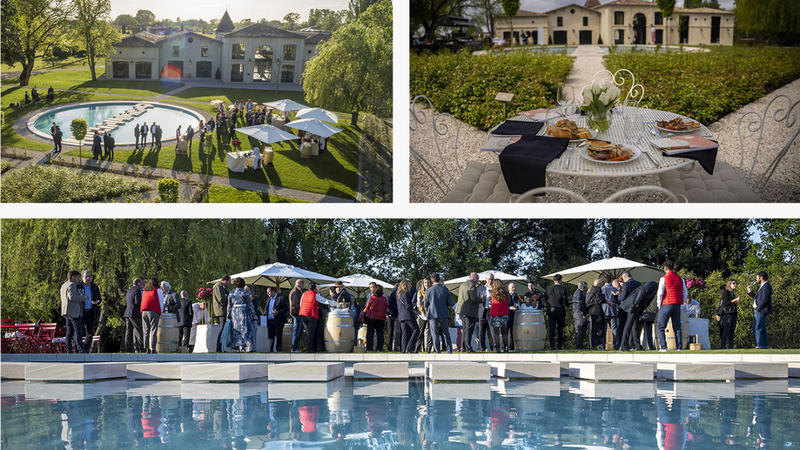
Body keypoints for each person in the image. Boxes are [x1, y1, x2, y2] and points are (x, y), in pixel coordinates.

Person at [656, 260, 688, 352]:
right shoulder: (680, 279)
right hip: (677, 304)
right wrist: (682, 302)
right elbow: (685, 292)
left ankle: (663, 347)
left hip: (666, 304)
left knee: (661, 326)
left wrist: (659, 304)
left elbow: (660, 293)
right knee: (677, 327)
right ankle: (679, 347)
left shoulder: (664, 278)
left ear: (665, 268)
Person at [298, 282, 337, 353]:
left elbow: (300, 304)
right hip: (311, 315)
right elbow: (325, 301)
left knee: (308, 332)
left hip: (303, 315)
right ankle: (310, 349)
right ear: (315, 288)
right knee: (311, 333)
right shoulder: (315, 295)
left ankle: (311, 348)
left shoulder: (304, 294)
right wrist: (336, 303)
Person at [424, 273, 453, 353]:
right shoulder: (445, 289)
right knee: (446, 333)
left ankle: (437, 351)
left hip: (432, 314)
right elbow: (450, 302)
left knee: (435, 334)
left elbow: (425, 304)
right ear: (439, 279)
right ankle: (449, 350)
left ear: (432, 281)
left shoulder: (429, 290)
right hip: (443, 314)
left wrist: (427, 313)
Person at [61, 270, 88, 353]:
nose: (78, 279)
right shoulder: (72, 285)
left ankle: (69, 350)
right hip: (73, 312)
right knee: (78, 330)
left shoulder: (64, 285)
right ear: (73, 277)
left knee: (69, 332)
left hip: (66, 311)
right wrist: (84, 298)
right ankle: (80, 349)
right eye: (77, 277)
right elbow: (71, 297)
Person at [227, 277, 257, 352]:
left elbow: (229, 305)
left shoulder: (231, 292)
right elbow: (250, 305)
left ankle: (238, 346)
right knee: (245, 329)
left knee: (236, 329)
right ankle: (247, 346)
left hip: (234, 313)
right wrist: (254, 314)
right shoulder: (245, 292)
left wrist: (228, 315)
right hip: (243, 312)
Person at [747, 271, 772, 349]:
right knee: (761, 328)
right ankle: (764, 345)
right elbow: (757, 298)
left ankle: (760, 345)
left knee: (757, 327)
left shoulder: (766, 286)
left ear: (761, 277)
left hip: (761, 310)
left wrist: (758, 308)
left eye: (757, 277)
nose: (756, 279)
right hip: (759, 310)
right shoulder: (763, 286)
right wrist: (750, 291)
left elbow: (765, 299)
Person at [455, 273, 480, 352]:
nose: (477, 281)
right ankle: (468, 348)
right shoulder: (472, 286)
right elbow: (474, 299)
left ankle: (464, 347)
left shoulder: (462, 285)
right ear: (475, 278)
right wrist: (481, 299)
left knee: (465, 329)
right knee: (469, 330)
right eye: (477, 279)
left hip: (461, 311)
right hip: (469, 311)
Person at [618, 271, 643, 352]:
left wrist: (618, 295)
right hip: (638, 306)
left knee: (628, 326)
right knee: (635, 326)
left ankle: (623, 345)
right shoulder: (639, 284)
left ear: (625, 277)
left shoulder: (626, 284)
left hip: (629, 307)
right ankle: (637, 345)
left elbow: (622, 297)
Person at [78, 270, 102, 353]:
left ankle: (86, 349)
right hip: (81, 312)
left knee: (90, 332)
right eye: (86, 276)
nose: (88, 278)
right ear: (82, 277)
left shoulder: (94, 286)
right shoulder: (79, 286)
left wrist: (96, 302)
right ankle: (79, 349)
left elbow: (99, 298)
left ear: (92, 277)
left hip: (90, 311)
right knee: (79, 331)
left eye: (89, 276)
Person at [544, 274, 568, 350]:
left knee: (551, 330)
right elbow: (565, 301)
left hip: (551, 310)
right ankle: (559, 346)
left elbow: (544, 299)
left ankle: (552, 346)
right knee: (560, 330)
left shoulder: (548, 289)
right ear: (560, 280)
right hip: (560, 311)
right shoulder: (563, 289)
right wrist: (568, 304)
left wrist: (548, 306)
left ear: (553, 280)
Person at [397, 279, 420, 353]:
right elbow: (408, 306)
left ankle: (403, 350)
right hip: (408, 316)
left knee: (404, 333)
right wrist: (415, 312)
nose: (410, 286)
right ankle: (409, 347)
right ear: (405, 285)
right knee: (416, 330)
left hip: (401, 316)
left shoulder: (398, 294)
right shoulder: (406, 293)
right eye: (409, 284)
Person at [140, 277, 162, 354]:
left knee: (145, 330)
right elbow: (160, 302)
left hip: (144, 311)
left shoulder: (145, 291)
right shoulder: (157, 290)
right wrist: (160, 312)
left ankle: (146, 348)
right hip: (153, 311)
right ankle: (153, 348)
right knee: (153, 330)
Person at [364, 285, 388, 351]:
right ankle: (379, 348)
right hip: (381, 318)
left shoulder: (372, 298)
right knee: (380, 334)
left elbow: (367, 307)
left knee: (370, 334)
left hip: (371, 317)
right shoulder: (384, 298)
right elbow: (386, 307)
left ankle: (369, 348)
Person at [716, 280, 739, 349]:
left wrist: (735, 302)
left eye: (736, 283)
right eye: (733, 283)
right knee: (726, 330)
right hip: (728, 314)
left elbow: (730, 303)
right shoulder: (726, 292)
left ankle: (731, 346)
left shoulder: (732, 293)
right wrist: (734, 300)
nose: (735, 284)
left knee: (732, 331)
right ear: (729, 284)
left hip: (733, 313)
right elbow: (724, 303)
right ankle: (723, 346)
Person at [123, 278, 144, 353]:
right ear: (138, 283)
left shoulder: (129, 290)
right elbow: (137, 302)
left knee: (128, 332)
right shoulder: (137, 290)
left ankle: (127, 348)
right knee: (139, 330)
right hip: (135, 313)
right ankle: (140, 348)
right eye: (142, 283)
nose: (143, 284)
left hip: (127, 313)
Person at [489, 279, 510, 353]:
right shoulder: (506, 293)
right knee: (504, 332)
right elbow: (507, 302)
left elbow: (492, 302)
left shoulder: (493, 293)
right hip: (504, 313)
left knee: (496, 332)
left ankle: (497, 348)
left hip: (496, 314)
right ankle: (506, 347)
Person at [477, 273, 495, 351]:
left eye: (492, 279)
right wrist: (481, 299)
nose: (490, 281)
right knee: (481, 330)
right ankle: (482, 347)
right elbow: (476, 299)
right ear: (486, 279)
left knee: (493, 330)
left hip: (491, 311)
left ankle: (495, 347)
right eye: (489, 279)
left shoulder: (495, 288)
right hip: (482, 310)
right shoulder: (481, 288)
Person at [585, 278, 606, 350]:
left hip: (591, 310)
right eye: (602, 284)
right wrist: (604, 297)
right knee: (601, 327)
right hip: (597, 309)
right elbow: (599, 300)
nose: (602, 285)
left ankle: (592, 345)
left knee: (593, 329)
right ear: (599, 283)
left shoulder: (589, 290)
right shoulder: (598, 289)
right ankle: (599, 344)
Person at [265, 286, 288, 352]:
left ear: (273, 291)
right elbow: (265, 309)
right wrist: (265, 312)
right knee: (270, 336)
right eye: (267, 292)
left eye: (269, 292)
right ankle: (270, 349)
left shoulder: (281, 298)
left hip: (278, 320)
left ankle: (278, 350)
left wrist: (278, 312)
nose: (268, 294)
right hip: (270, 321)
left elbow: (286, 308)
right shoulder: (268, 300)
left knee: (278, 335)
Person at [212, 275, 231, 352]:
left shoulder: (223, 287)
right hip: (221, 311)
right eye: (229, 281)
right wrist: (230, 297)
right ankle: (218, 348)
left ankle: (221, 347)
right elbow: (221, 298)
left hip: (224, 310)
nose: (230, 283)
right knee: (222, 328)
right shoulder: (217, 286)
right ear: (225, 280)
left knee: (224, 329)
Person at [601, 275, 619, 349]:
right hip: (613, 311)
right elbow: (617, 300)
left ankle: (602, 346)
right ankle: (616, 345)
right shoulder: (614, 289)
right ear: (611, 280)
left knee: (604, 329)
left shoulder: (601, 289)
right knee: (614, 329)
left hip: (604, 311)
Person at [416, 278, 432, 353]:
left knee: (430, 332)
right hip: (422, 314)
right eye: (425, 282)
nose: (426, 284)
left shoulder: (432, 291)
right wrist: (422, 311)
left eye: (428, 282)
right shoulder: (420, 292)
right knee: (420, 332)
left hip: (431, 314)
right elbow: (418, 303)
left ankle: (428, 349)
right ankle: (417, 349)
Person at [289, 279, 305, 352]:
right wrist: (301, 309)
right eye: (303, 285)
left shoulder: (296, 291)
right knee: (297, 331)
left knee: (299, 330)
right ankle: (294, 348)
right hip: (297, 313)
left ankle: (296, 348)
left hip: (297, 313)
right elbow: (294, 303)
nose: (303, 286)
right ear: (300, 284)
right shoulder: (295, 292)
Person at [572, 281, 588, 349]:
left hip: (576, 312)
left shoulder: (576, 292)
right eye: (585, 288)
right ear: (582, 287)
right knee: (580, 329)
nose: (585, 289)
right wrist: (583, 313)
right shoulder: (579, 294)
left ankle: (578, 345)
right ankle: (579, 346)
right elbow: (579, 304)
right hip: (579, 313)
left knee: (577, 330)